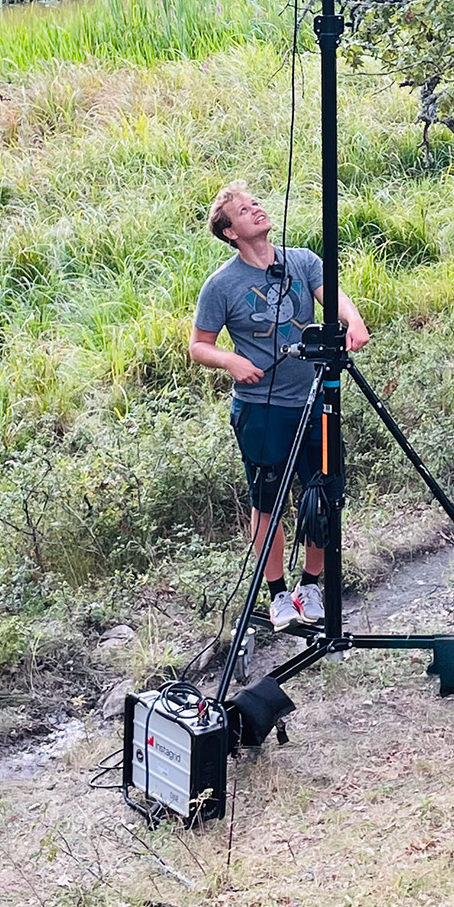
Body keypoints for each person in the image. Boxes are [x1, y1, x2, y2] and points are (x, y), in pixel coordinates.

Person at [189, 182, 367, 631]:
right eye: (244, 210)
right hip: (262, 409)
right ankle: (277, 595)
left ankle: (311, 584)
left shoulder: (302, 261)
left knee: (322, 496)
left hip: (315, 401)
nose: (256, 210)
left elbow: (334, 295)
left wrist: (354, 320)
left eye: (255, 204)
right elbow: (199, 346)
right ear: (230, 232)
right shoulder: (222, 286)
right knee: (268, 502)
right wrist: (231, 360)